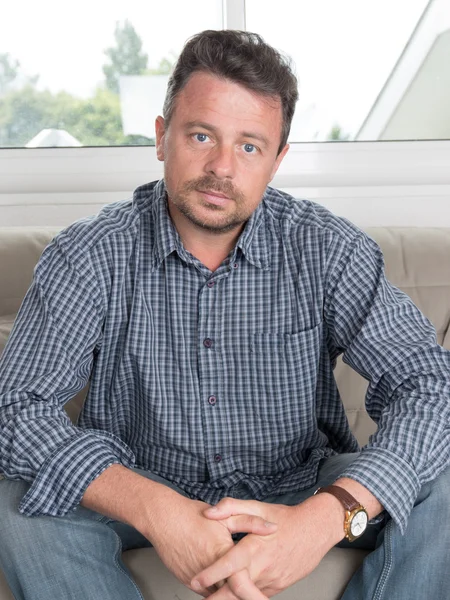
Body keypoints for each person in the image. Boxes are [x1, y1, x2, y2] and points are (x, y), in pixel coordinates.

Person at [0, 29, 449, 600]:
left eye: (249, 146)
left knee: (446, 475)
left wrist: (324, 519)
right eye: (202, 134)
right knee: (15, 504)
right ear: (163, 137)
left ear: (278, 159)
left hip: (299, 487)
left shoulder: (327, 249)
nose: (221, 167)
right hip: (142, 487)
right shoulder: (88, 256)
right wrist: (161, 512)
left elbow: (431, 386)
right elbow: (15, 408)